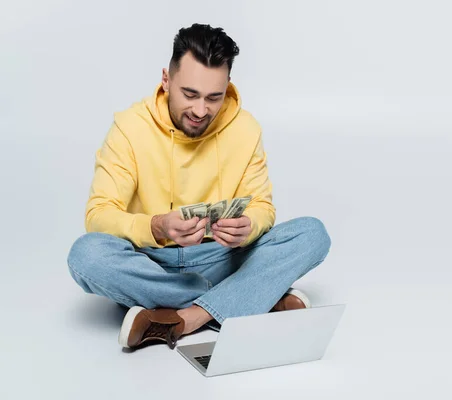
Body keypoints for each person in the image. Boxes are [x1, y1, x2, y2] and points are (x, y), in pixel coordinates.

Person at [67, 23, 331, 350]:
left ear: (227, 87)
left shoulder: (245, 129)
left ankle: (186, 316)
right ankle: (251, 296)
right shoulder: (129, 128)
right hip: (151, 260)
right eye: (189, 94)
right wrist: (156, 225)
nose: (200, 110)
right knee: (86, 256)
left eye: (213, 97)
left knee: (312, 234)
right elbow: (99, 215)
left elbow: (263, 207)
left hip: (223, 256)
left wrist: (249, 227)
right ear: (166, 80)